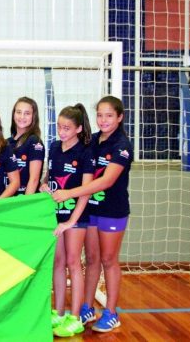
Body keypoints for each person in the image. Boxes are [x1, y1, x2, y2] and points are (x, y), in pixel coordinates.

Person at [51, 96, 133, 333]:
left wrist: (69, 193)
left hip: (112, 211)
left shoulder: (122, 146)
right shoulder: (92, 142)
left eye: (109, 115)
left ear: (120, 117)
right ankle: (86, 307)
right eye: (100, 115)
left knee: (109, 259)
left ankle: (111, 312)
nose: (104, 120)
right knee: (92, 259)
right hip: (91, 210)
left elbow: (106, 181)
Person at [39, 104, 94, 337]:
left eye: (67, 128)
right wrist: (43, 184)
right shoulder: (54, 147)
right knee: (58, 262)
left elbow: (86, 190)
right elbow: (50, 175)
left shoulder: (85, 152)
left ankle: (75, 317)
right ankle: (59, 312)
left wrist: (72, 221)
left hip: (76, 217)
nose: (62, 132)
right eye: (59, 127)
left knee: (73, 262)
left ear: (78, 129)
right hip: (55, 215)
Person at [7, 97, 45, 195]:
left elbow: (34, 179)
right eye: (18, 112)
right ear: (13, 114)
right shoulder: (6, 143)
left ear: (34, 116)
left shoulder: (35, 142)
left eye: (27, 113)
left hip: (25, 201)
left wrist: (25, 204)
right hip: (7, 202)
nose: (22, 117)